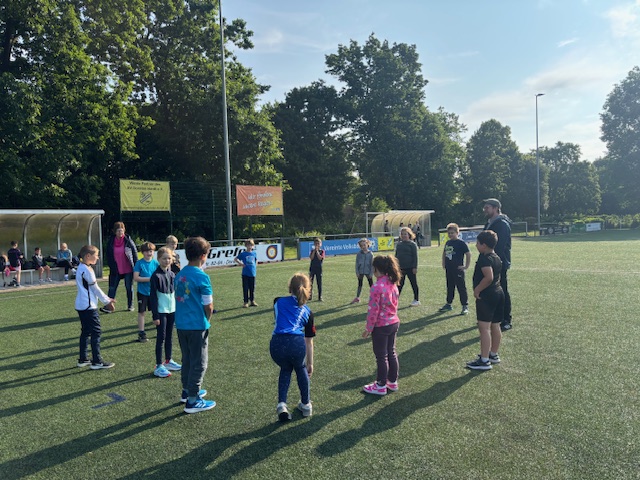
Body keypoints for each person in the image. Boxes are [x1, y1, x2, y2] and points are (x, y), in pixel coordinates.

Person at [175, 236, 216, 414]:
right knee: (199, 363)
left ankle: (187, 391)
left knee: (187, 359)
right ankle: (193, 399)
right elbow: (209, 306)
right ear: (203, 256)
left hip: (181, 324)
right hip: (197, 325)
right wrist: (208, 320)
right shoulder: (202, 277)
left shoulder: (180, 274)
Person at [270, 273, 316, 421]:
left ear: (290, 288)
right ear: (308, 290)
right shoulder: (308, 312)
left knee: (285, 369)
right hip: (296, 343)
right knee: (301, 369)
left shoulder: (277, 301)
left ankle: (282, 404)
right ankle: (306, 404)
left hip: (277, 344)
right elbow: (309, 341)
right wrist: (310, 363)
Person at [361, 255, 401, 395]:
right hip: (393, 322)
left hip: (381, 326)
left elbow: (373, 311)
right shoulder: (392, 283)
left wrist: (368, 328)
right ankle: (392, 381)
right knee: (391, 352)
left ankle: (380, 384)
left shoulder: (376, 287)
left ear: (376, 269)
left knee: (381, 356)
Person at [466, 230, 504, 371]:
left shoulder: (485, 258)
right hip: (498, 293)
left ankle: (484, 360)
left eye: (477, 243)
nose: (476, 245)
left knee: (484, 328)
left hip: (487, 296)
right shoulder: (497, 257)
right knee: (495, 325)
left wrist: (477, 290)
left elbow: (489, 277)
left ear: (484, 245)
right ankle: (493, 354)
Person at [75, 245, 116, 369]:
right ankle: (97, 361)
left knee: (86, 332)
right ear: (88, 256)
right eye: (96, 255)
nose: (98, 258)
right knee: (96, 332)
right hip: (88, 306)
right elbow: (95, 288)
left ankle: (83, 359)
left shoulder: (81, 267)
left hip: (81, 305)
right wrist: (107, 301)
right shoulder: (87, 270)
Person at [150, 246, 181, 378]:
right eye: (164, 258)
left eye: (169, 258)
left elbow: (175, 294)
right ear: (158, 259)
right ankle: (158, 365)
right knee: (161, 337)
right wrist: (155, 315)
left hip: (171, 310)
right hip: (161, 311)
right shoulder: (155, 276)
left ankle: (168, 360)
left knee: (169, 336)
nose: (167, 261)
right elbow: (153, 297)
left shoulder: (172, 274)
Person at [482, 198, 513, 331]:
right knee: (490, 291)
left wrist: (493, 261)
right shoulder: (489, 223)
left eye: (487, 207)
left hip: (498, 263)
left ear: (495, 208)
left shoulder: (502, 224)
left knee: (502, 291)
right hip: (488, 262)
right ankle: (492, 318)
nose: (484, 210)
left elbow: (499, 246)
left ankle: (506, 319)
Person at [105, 222, 138, 312]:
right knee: (112, 288)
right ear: (115, 232)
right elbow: (108, 255)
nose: (120, 233)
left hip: (128, 269)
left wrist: (136, 266)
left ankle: (130, 305)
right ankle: (109, 306)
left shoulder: (128, 241)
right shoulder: (111, 242)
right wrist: (111, 265)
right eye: (118, 231)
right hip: (115, 269)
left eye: (122, 231)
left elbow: (134, 254)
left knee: (129, 287)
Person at [439, 223, 471, 315]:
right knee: (450, 286)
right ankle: (448, 304)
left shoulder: (461, 243)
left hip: (458, 269)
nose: (450, 235)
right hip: (449, 269)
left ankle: (465, 305)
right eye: (449, 233)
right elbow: (444, 253)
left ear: (457, 233)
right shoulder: (448, 243)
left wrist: (466, 266)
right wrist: (443, 263)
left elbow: (468, 254)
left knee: (461, 287)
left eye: (452, 233)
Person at [133, 242, 159, 343]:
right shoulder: (139, 263)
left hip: (154, 292)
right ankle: (141, 332)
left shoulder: (156, 263)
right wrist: (149, 279)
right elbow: (136, 277)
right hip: (142, 292)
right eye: (147, 251)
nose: (149, 253)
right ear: (142, 252)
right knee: (142, 312)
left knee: (156, 311)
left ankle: (159, 330)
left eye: (151, 251)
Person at [395, 227, 420, 306]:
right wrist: (395, 266)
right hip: (401, 268)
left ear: (409, 235)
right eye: (402, 234)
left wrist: (414, 267)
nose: (403, 236)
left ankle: (416, 299)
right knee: (399, 284)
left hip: (410, 267)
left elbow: (415, 257)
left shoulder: (412, 244)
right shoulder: (399, 244)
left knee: (413, 283)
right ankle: (395, 300)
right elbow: (396, 256)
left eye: (405, 234)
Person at [234, 238, 258, 307]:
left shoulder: (254, 253)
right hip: (245, 274)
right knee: (245, 288)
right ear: (246, 246)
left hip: (252, 273)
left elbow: (256, 260)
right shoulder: (243, 254)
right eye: (248, 245)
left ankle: (252, 301)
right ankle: (245, 302)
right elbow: (236, 259)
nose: (249, 246)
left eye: (251, 245)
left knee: (252, 288)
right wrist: (241, 264)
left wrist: (255, 266)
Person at [351, 238, 374, 304]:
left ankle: (374, 297)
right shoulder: (359, 254)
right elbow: (357, 263)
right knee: (360, 284)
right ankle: (357, 297)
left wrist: (371, 273)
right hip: (360, 271)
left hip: (368, 272)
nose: (363, 247)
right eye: (361, 245)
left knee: (371, 285)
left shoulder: (370, 254)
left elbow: (372, 264)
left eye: (364, 245)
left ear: (367, 244)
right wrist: (357, 272)